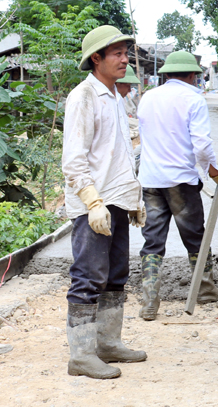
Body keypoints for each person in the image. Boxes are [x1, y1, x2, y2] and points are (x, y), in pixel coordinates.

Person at [62, 25, 148, 379]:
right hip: (93, 203)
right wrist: (92, 201)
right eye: (117, 53)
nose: (124, 59)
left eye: (126, 52)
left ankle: (108, 342)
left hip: (115, 200)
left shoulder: (116, 95)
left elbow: (120, 153)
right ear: (95, 58)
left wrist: (133, 196)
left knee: (116, 275)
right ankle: (81, 355)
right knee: (88, 275)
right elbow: (73, 159)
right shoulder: (83, 96)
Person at [136, 50, 218, 321]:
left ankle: (149, 300)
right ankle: (204, 288)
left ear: (166, 74)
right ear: (193, 75)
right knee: (195, 238)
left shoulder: (148, 98)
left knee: (152, 240)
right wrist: (214, 174)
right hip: (180, 180)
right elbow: (201, 145)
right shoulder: (193, 99)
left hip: (151, 179)